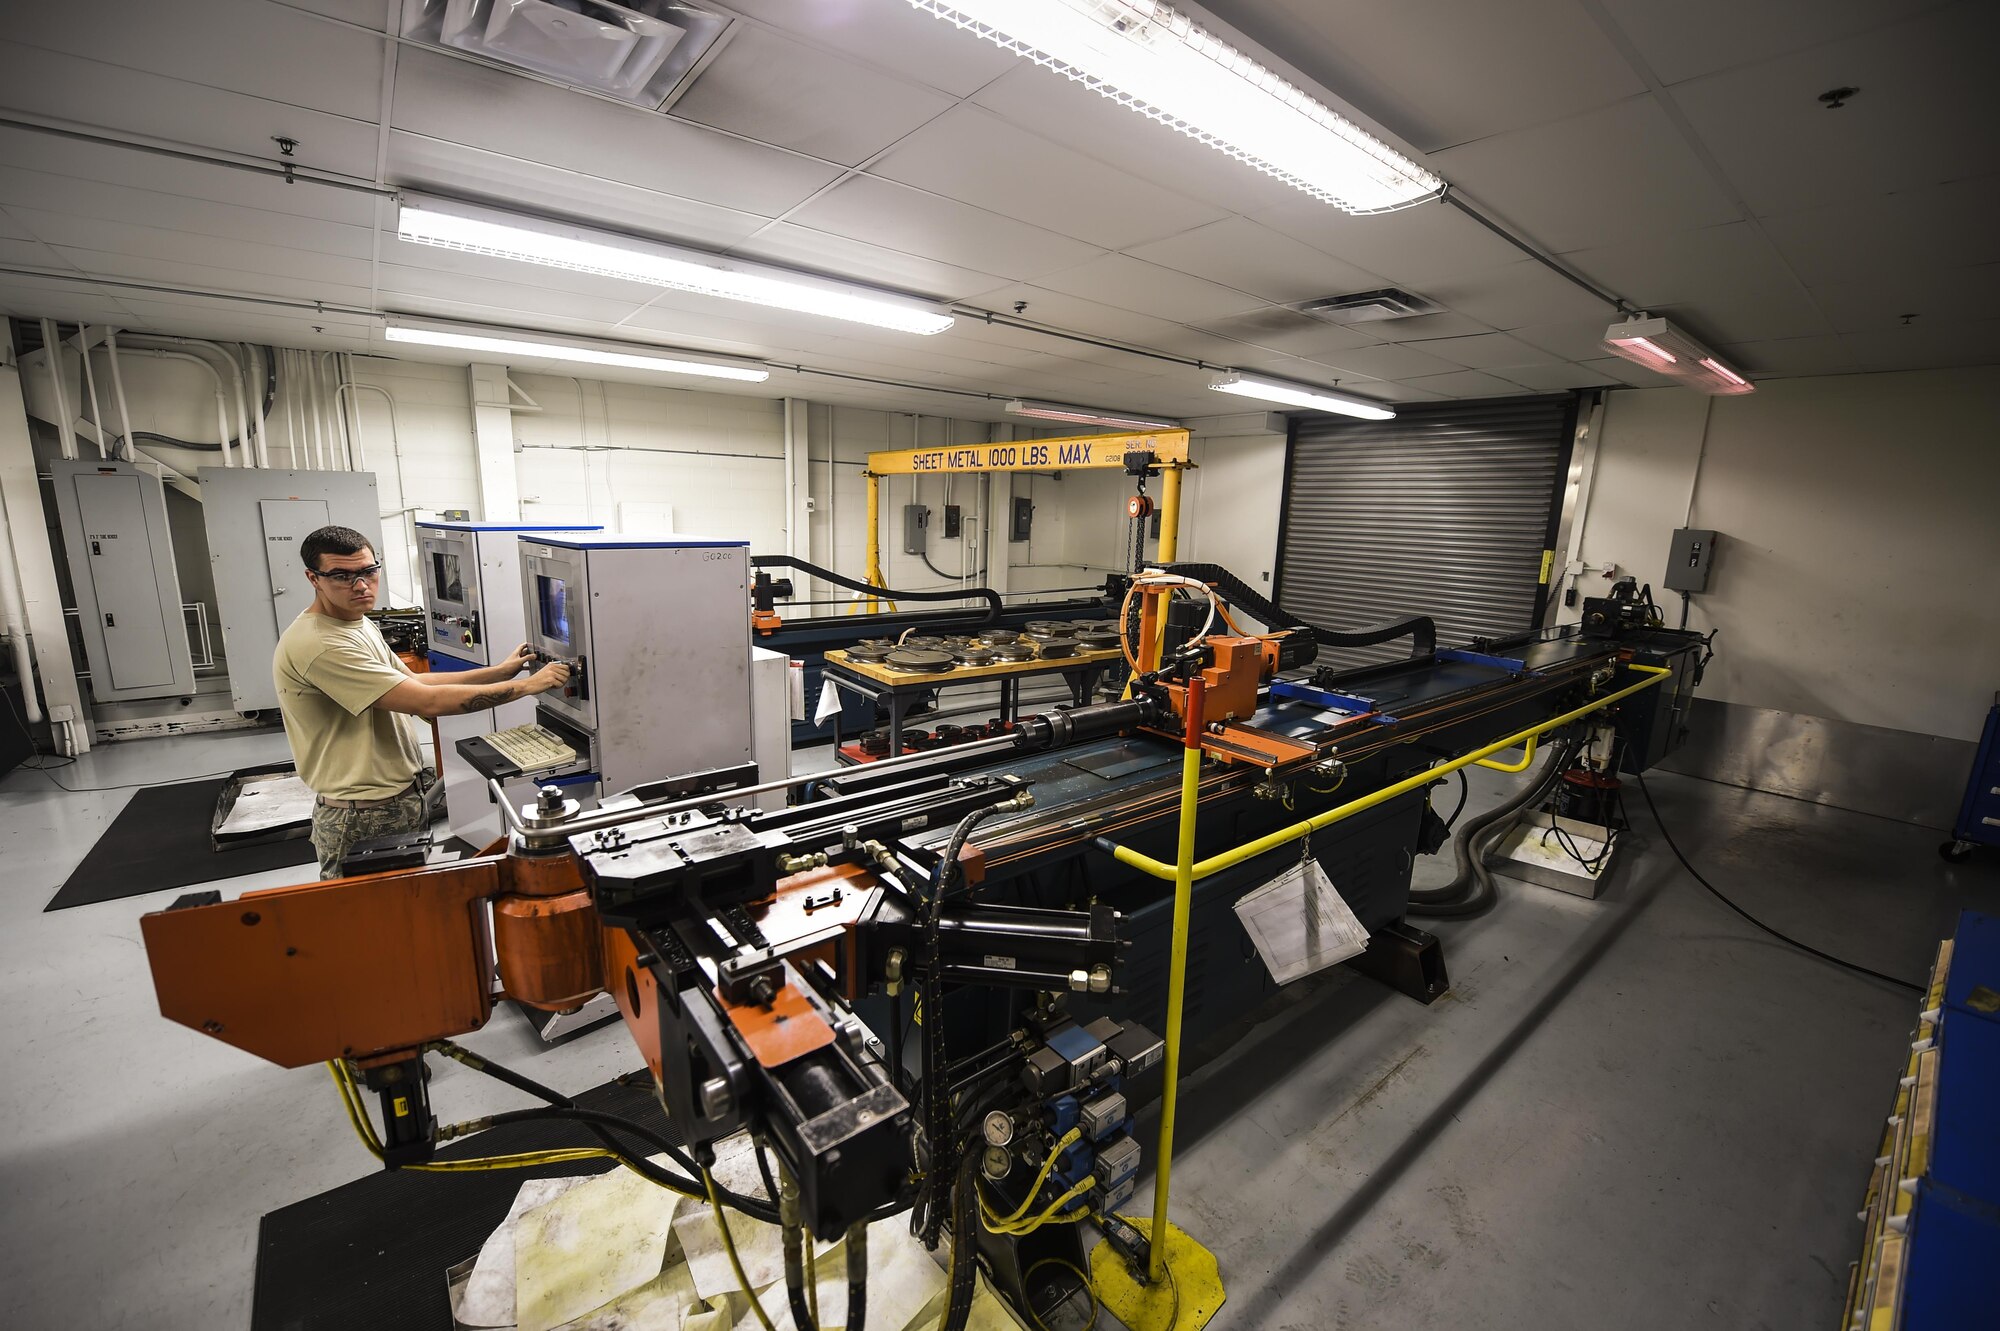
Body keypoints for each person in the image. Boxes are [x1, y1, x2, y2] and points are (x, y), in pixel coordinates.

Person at [273, 524, 570, 878]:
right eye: (341, 576)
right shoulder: (322, 644)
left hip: (395, 803)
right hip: (363, 817)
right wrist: (528, 687)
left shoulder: (356, 622)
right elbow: (425, 702)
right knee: (372, 924)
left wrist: (500, 672)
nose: (361, 585)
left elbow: (414, 680)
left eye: (368, 571)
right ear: (313, 578)